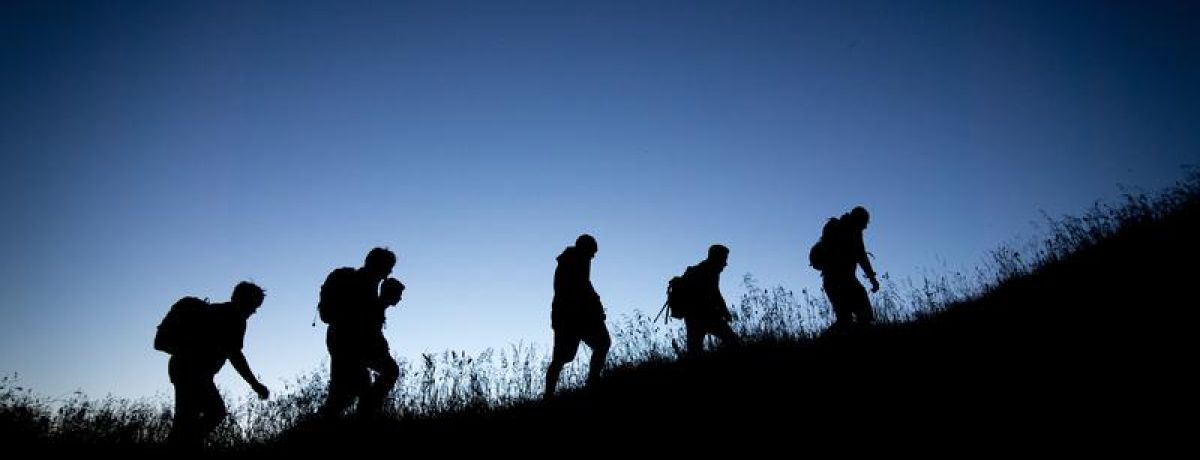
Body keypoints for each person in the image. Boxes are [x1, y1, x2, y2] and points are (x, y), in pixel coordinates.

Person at [165, 281, 270, 448]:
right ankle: (183, 445)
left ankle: (184, 443)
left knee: (187, 418)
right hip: (194, 372)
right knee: (213, 413)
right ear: (245, 300)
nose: (254, 311)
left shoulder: (215, 309)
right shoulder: (235, 317)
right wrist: (255, 384)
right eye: (254, 305)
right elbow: (235, 355)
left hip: (182, 367)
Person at [319, 247, 403, 417]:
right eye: (388, 266)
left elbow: (370, 322)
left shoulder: (369, 284)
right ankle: (363, 420)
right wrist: (384, 302)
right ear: (378, 265)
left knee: (344, 395)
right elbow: (361, 319)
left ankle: (363, 417)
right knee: (346, 396)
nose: (389, 271)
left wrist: (383, 303)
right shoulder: (360, 283)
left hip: (347, 342)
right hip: (348, 344)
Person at [544, 234, 610, 398]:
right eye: (592, 252)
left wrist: (596, 305)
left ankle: (591, 382)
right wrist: (595, 307)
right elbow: (578, 290)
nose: (593, 256)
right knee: (562, 357)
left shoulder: (575, 261)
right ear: (584, 248)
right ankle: (549, 394)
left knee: (601, 344)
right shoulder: (572, 262)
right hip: (571, 317)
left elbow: (585, 287)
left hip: (577, 316)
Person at [816, 206, 880, 332]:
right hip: (838, 281)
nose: (865, 227)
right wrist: (872, 279)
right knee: (850, 320)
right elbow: (861, 256)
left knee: (850, 320)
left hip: (840, 280)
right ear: (858, 220)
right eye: (864, 223)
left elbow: (861, 256)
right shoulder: (850, 232)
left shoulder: (848, 231)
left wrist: (872, 278)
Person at [679, 245, 739, 355]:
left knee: (694, 350)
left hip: (693, 316)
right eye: (724, 259)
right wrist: (724, 312)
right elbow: (715, 294)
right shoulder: (709, 272)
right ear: (716, 258)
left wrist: (723, 311)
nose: (725, 264)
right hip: (704, 316)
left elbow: (715, 294)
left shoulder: (704, 270)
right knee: (732, 341)